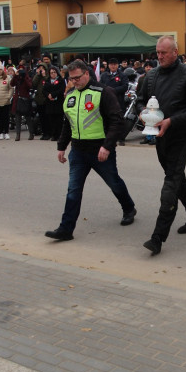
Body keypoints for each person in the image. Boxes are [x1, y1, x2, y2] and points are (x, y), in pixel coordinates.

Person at [45, 60, 136, 241]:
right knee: (73, 190)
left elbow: (117, 121)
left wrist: (107, 146)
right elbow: (68, 123)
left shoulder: (103, 92)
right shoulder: (70, 95)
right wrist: (61, 146)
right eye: (71, 79)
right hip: (78, 152)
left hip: (100, 150)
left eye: (77, 77)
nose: (75, 81)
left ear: (87, 74)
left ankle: (129, 208)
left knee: (114, 182)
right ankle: (66, 229)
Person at [138, 35, 186, 255]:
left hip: (180, 137)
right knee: (177, 178)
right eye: (157, 53)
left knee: (170, 183)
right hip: (159, 137)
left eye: (163, 53)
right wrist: (142, 113)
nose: (159, 57)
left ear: (175, 52)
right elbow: (140, 100)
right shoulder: (152, 76)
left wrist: (171, 121)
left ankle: (158, 238)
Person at [44, 66, 66, 142]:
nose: (53, 74)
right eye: (51, 73)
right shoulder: (47, 81)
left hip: (58, 102)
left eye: (54, 72)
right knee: (51, 120)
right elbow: (44, 90)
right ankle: (54, 135)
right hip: (50, 103)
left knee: (59, 120)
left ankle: (59, 135)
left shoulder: (61, 80)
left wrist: (53, 94)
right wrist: (48, 95)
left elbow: (61, 90)